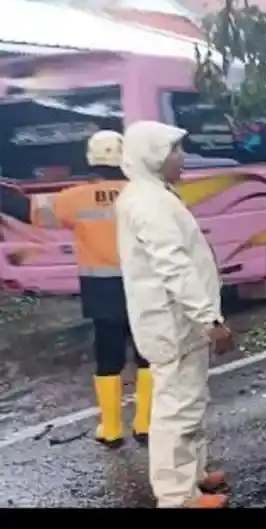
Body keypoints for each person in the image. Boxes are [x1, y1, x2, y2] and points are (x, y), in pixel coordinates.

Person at [0, 131, 153, 448]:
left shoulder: (76, 197)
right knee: (147, 355)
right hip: (144, 287)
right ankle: (146, 424)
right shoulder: (147, 193)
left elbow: (27, 211)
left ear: (90, 159)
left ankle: (111, 429)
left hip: (102, 290)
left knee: (108, 357)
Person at [115, 121, 234, 509]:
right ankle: (177, 495)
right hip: (174, 323)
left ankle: (194, 477)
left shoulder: (152, 195)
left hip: (178, 320)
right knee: (176, 409)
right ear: (153, 157)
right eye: (174, 151)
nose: (182, 158)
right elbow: (174, 266)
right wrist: (208, 318)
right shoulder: (148, 202)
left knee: (190, 402)